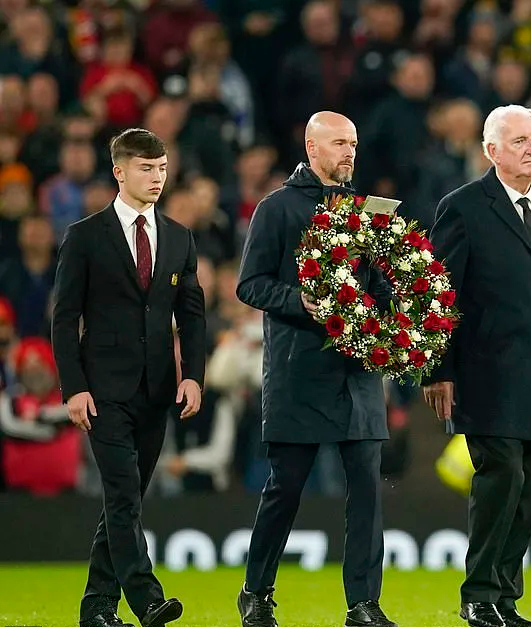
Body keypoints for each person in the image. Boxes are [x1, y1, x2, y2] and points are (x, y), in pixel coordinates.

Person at [423, 105, 531, 627]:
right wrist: (439, 369)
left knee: (528, 488)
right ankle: (478, 593)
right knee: (499, 477)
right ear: (491, 150)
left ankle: (503, 597)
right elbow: (440, 293)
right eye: (519, 140)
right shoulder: (463, 207)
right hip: (487, 375)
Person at [235, 111, 397, 627]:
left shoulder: (371, 211)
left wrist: (392, 316)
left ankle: (363, 604)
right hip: (299, 369)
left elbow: (383, 285)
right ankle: (256, 592)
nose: (350, 152)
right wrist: (300, 300)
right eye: (339, 143)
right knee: (286, 487)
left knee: (368, 489)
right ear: (311, 146)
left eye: (353, 143)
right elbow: (250, 284)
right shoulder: (277, 209)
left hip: (358, 374)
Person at [51, 128, 206, 627]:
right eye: (146, 168)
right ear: (119, 171)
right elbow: (64, 316)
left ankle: (96, 606)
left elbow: (193, 315)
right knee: (122, 496)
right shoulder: (85, 236)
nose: (156, 177)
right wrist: (73, 387)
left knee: (127, 501)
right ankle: (147, 600)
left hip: (158, 390)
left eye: (161, 168)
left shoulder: (180, 237)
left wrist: (194, 377)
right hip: (101, 392)